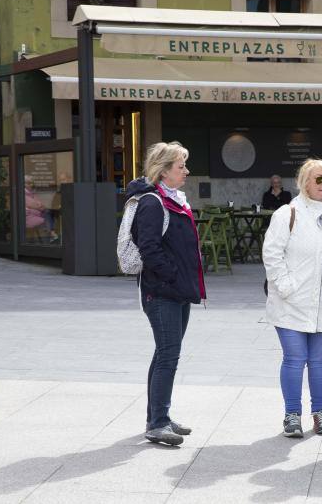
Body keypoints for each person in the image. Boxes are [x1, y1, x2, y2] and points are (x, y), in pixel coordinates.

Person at [263, 158, 322, 438]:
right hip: (290, 301)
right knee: (295, 357)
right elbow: (272, 254)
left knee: (319, 359)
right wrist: (286, 286)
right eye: (319, 179)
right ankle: (292, 415)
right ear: (304, 183)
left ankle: (320, 413)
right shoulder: (286, 214)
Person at [126, 141, 205, 446]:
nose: (186, 171)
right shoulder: (152, 202)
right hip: (162, 291)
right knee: (168, 354)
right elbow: (149, 247)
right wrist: (172, 275)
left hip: (177, 289)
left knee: (164, 353)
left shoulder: (173, 199)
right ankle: (158, 422)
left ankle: (158, 416)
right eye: (181, 166)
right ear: (164, 170)